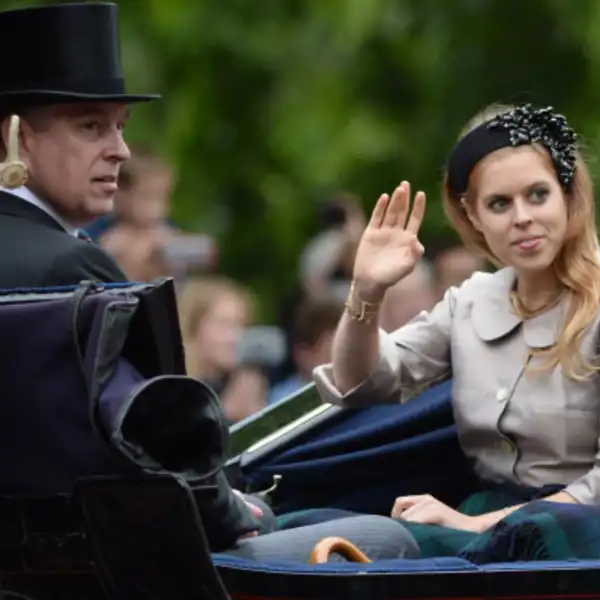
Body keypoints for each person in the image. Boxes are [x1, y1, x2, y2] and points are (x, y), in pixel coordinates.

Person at [314, 103, 600, 557]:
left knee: (380, 547)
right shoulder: (470, 301)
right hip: (488, 519)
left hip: (577, 532)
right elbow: (361, 383)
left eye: (538, 195)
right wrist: (367, 291)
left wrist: (476, 524)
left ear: (568, 196)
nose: (521, 217)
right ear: (473, 217)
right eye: (500, 204)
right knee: (308, 528)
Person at [0, 3, 159, 288]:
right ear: (18, 137)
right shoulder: (73, 266)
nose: (121, 151)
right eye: (91, 126)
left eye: (120, 127)